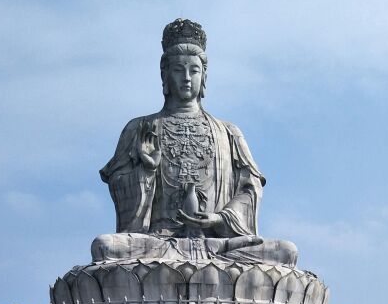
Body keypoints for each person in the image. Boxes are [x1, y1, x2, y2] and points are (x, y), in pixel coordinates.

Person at [92, 19, 297, 269]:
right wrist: (145, 171)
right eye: (178, 70)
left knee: (286, 252)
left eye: (194, 70)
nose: (186, 78)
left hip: (218, 245)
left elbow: (249, 190)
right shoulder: (140, 128)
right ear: (164, 75)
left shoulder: (228, 132)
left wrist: (218, 218)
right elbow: (128, 220)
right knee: (104, 246)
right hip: (160, 245)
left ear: (204, 75)